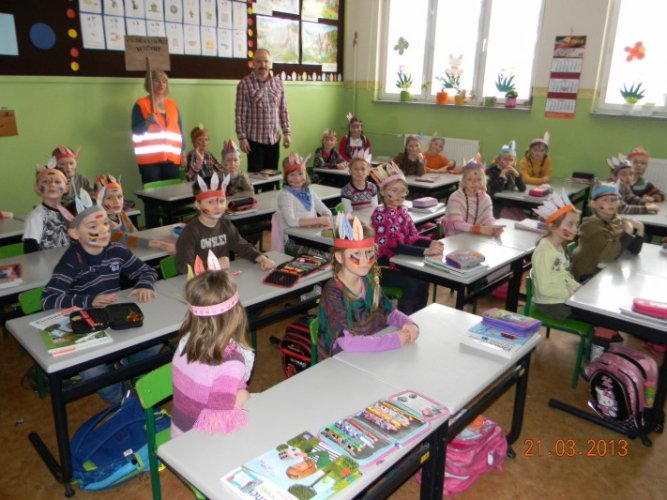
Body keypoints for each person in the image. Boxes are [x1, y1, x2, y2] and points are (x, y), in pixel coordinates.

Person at [41, 200, 159, 404]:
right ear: (75, 233)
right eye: (93, 226)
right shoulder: (72, 260)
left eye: (105, 223)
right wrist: (89, 300)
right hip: (88, 323)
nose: (104, 230)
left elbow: (146, 271)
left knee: (155, 342)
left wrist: (145, 284)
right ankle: (121, 400)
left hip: (115, 317)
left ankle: (123, 367)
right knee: (91, 371)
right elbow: (48, 299)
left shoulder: (116, 250)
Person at [317, 214, 419, 359]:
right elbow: (348, 343)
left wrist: (408, 323)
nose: (365, 260)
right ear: (340, 257)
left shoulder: (369, 281)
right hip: (342, 360)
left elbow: (388, 312)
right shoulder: (333, 292)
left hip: (370, 353)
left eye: (369, 252)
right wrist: (395, 340)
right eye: (356, 254)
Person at [171, 267, 254, 437]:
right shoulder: (231, 363)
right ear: (238, 313)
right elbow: (218, 419)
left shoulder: (186, 341)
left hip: (179, 435)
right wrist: (244, 396)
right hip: (201, 442)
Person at [370, 163, 443, 314]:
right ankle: (405, 319)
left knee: (423, 280)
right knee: (410, 284)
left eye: (402, 191)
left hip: (399, 264)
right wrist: (425, 251)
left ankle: (418, 316)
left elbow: (413, 238)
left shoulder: (403, 213)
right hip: (380, 269)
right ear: (382, 191)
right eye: (394, 190)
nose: (399, 195)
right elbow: (394, 246)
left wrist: (432, 243)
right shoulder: (380, 215)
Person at [175, 173, 275, 274]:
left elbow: (242, 246)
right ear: (198, 205)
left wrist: (262, 258)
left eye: (222, 201)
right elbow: (183, 266)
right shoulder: (190, 232)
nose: (218, 206)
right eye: (210, 202)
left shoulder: (225, 224)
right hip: (201, 280)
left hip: (222, 278)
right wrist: (214, 265)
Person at [571, 182, 644, 282]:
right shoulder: (590, 226)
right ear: (593, 204)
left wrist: (640, 230)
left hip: (604, 272)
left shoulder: (615, 220)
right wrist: (627, 233)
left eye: (614, 199)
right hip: (587, 275)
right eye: (605, 200)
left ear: (619, 202)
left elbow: (633, 250)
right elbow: (606, 259)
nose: (611, 203)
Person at [235, 48, 291, 173]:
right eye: (259, 61)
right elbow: (240, 114)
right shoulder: (244, 84)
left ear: (270, 63)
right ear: (253, 64)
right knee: (256, 179)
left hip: (274, 140)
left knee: (272, 178)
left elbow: (283, 110)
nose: (262, 65)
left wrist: (287, 132)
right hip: (255, 142)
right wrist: (242, 138)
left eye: (266, 61)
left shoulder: (278, 83)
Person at [531, 192, 581, 320]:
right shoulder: (544, 251)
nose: (575, 229)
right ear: (552, 226)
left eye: (576, 224)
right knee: (595, 315)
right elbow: (544, 289)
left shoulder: (560, 245)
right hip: (551, 305)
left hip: (563, 298)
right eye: (570, 224)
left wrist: (577, 287)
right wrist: (570, 293)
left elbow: (565, 275)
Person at [95, 174, 176, 253]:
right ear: (99, 201)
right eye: (109, 198)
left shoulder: (122, 214)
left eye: (119, 196)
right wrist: (155, 244)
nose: (116, 201)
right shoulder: (101, 222)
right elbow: (123, 238)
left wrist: (154, 240)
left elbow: (136, 234)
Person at [131, 70, 186, 184]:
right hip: (150, 161)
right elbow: (136, 131)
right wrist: (147, 122)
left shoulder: (172, 105)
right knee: (153, 193)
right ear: (149, 84)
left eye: (164, 81)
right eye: (157, 81)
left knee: (171, 193)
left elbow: (180, 131)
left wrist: (183, 152)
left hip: (171, 159)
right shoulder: (141, 104)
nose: (161, 84)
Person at [277, 153, 333, 255]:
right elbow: (291, 221)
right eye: (292, 175)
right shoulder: (286, 195)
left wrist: (326, 217)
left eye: (300, 173)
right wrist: (317, 220)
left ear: (305, 174)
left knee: (335, 249)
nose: (297, 178)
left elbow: (325, 210)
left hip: (310, 236)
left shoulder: (309, 191)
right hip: (294, 240)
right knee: (326, 255)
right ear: (286, 177)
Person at [443, 160, 504, 236]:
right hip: (455, 238)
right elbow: (457, 224)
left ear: (483, 181)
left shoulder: (486, 199)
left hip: (476, 237)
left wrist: (493, 228)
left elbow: (488, 219)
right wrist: (480, 229)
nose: (474, 183)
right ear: (463, 181)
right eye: (470, 179)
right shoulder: (455, 198)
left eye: (479, 179)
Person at [23, 163, 72, 253]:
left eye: (57, 182)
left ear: (67, 188)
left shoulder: (70, 213)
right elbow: (30, 253)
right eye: (45, 181)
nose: (52, 184)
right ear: (37, 188)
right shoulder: (36, 217)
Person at [487, 141, 527, 219]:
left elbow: (522, 188)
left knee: (523, 218)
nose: (508, 162)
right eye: (505, 159)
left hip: (510, 203)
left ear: (514, 162)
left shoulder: (513, 172)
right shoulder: (493, 171)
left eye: (511, 160)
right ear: (499, 160)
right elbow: (498, 189)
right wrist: (502, 174)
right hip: (496, 204)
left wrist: (517, 175)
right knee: (514, 218)